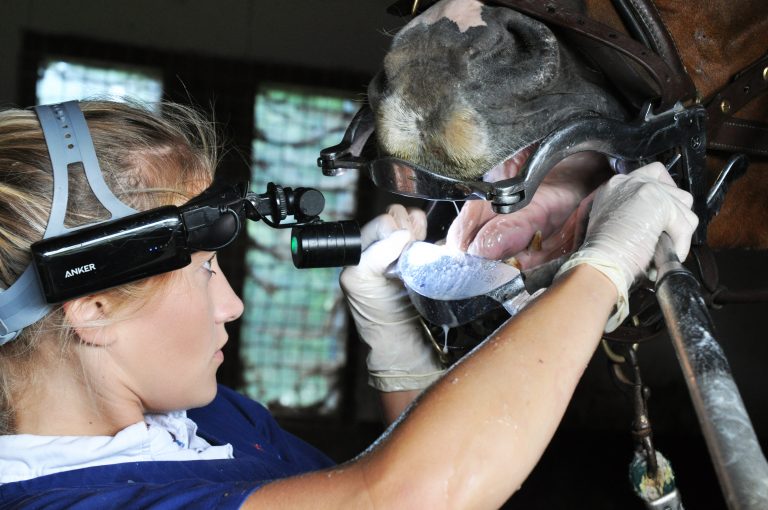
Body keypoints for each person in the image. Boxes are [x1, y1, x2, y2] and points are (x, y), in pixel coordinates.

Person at [0, 99, 697, 509]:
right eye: (206, 271)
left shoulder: (201, 414)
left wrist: (399, 354)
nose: (233, 306)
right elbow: (398, 499)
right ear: (91, 304)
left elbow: (382, 484)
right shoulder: (65, 502)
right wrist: (604, 267)